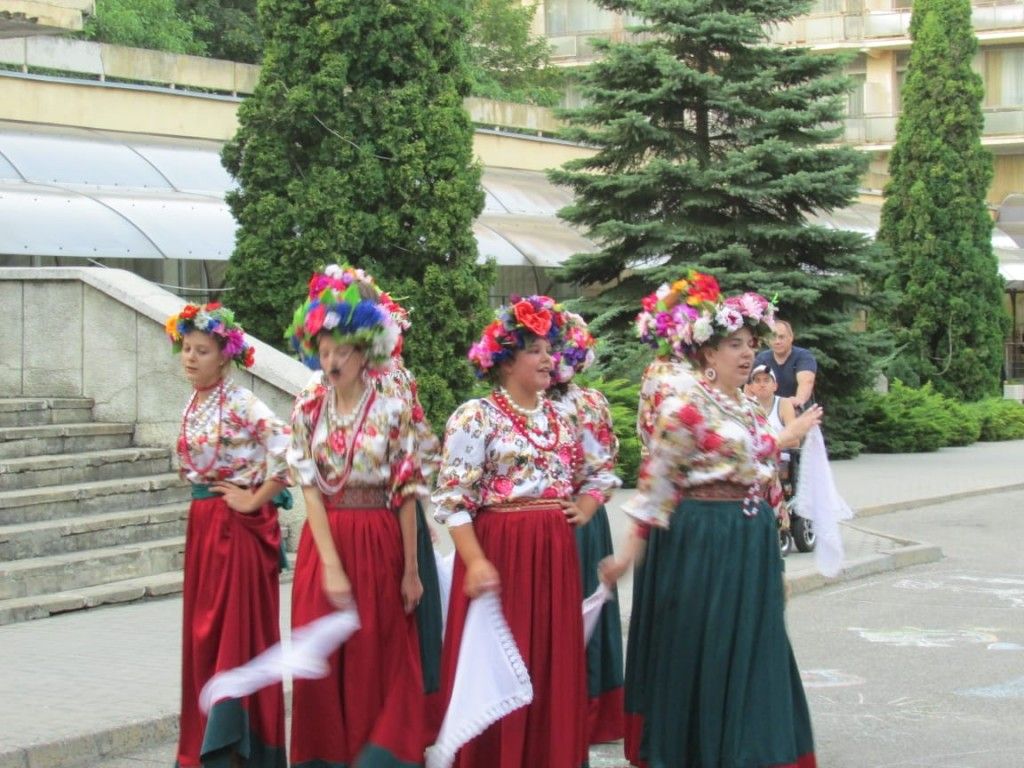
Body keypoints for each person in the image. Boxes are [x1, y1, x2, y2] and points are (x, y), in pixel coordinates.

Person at [604, 273, 823, 768]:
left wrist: (778, 546)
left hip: (750, 537)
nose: (747, 355)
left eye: (750, 345)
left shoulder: (750, 407)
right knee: (708, 643)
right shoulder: (684, 408)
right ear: (708, 352)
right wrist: (627, 555)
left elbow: (766, 478)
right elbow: (656, 484)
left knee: (756, 642)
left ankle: (750, 749)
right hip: (704, 537)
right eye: (734, 345)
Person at [433, 295, 619, 768]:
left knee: (550, 663)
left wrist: (586, 505)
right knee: (499, 661)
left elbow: (600, 469)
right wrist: (475, 561)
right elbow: (453, 498)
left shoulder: (563, 417)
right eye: (534, 350)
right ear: (505, 361)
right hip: (501, 553)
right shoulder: (476, 416)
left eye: (548, 350)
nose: (547, 359)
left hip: (554, 555)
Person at [285, 265, 429, 768]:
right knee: (321, 659)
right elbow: (308, 485)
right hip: (325, 540)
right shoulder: (307, 408)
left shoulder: (392, 409)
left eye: (342, 350)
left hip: (378, 536)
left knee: (376, 656)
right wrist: (329, 564)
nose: (332, 360)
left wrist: (411, 569)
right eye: (324, 350)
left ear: (366, 351)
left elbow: (405, 491)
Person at [165, 301, 289, 768]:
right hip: (204, 527)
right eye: (187, 348)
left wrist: (255, 499)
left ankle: (237, 748)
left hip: (234, 530)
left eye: (202, 351)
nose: (190, 358)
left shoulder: (239, 401)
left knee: (233, 635)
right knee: (205, 638)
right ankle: (205, 744)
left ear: (224, 357)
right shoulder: (194, 401)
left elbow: (290, 449)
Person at [547, 310, 624, 746]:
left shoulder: (588, 403)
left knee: (581, 609)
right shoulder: (518, 402)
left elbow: (604, 464)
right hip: (545, 519)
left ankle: (583, 709)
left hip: (580, 519)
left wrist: (587, 504)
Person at [754, 319, 817, 410]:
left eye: (781, 337)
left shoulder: (804, 356)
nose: (777, 341)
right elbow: (750, 388)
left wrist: (798, 400)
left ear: (791, 337)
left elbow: (806, 382)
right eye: (773, 337)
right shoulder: (762, 358)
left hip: (799, 410)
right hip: (769, 411)